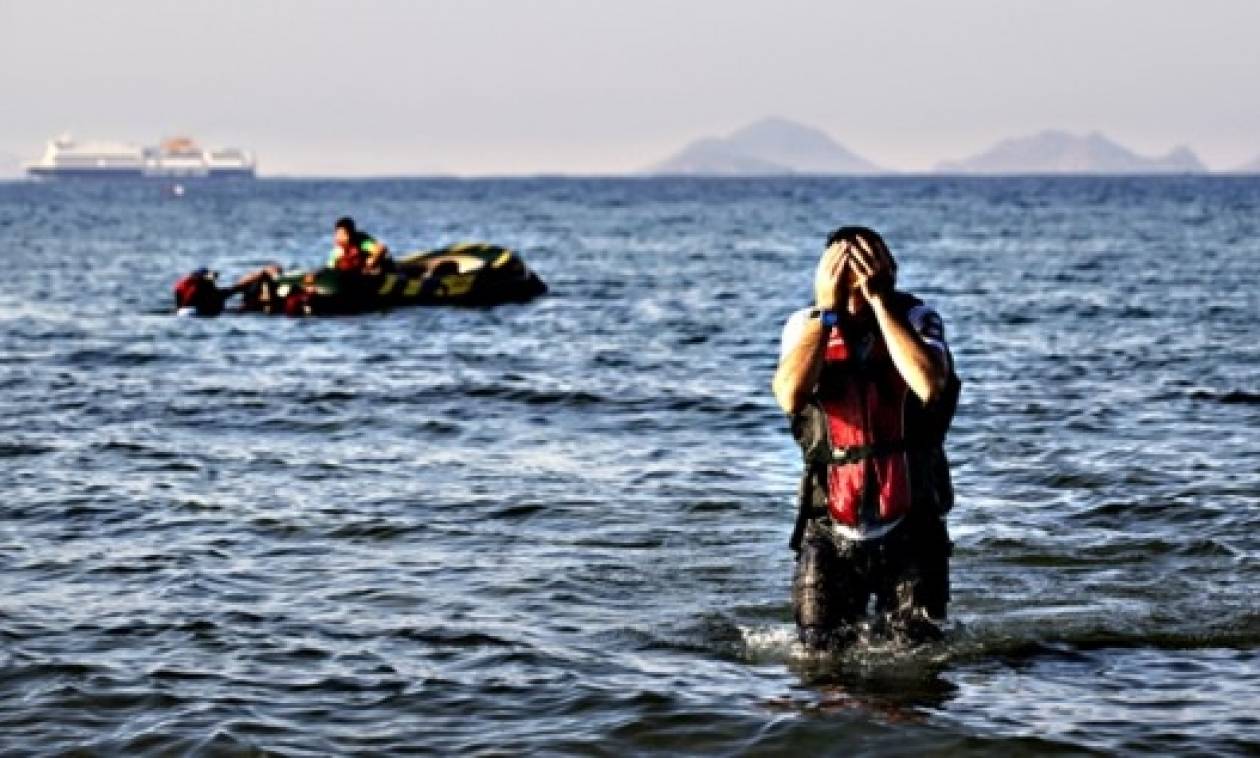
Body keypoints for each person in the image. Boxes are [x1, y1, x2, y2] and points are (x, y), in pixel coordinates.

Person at [772, 226, 960, 650]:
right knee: (818, 664)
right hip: (829, 526)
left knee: (917, 667)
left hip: (913, 523)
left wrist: (878, 301)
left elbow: (929, 384)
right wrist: (828, 311)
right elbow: (789, 396)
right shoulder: (804, 326)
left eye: (871, 262)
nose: (857, 274)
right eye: (844, 265)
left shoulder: (917, 318)